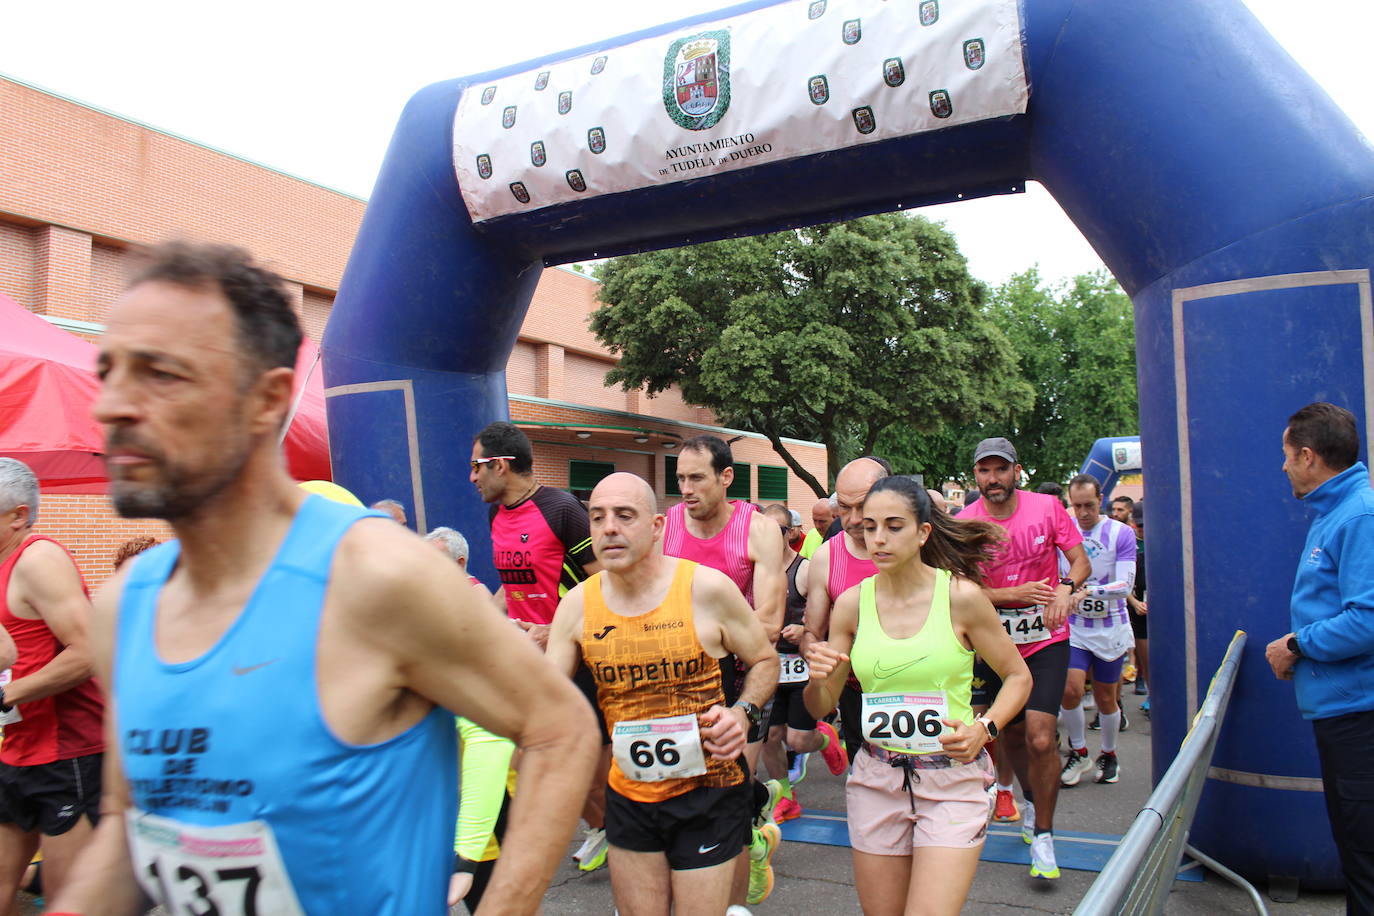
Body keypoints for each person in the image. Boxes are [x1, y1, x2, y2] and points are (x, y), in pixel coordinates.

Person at [53, 241, 598, 914]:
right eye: (109, 372)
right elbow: (128, 828)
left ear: (267, 400)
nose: (113, 406)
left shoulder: (375, 578)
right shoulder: (123, 610)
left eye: (160, 374)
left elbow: (560, 731)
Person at [545, 472, 780, 916]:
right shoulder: (576, 605)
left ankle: (749, 831)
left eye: (623, 515)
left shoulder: (705, 589)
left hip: (707, 789)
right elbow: (548, 703)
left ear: (656, 527)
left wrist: (743, 712)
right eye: (597, 518)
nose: (609, 527)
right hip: (630, 791)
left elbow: (766, 660)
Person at [803, 476, 1032, 916]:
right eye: (870, 527)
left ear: (923, 532)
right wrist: (819, 678)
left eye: (893, 526)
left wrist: (983, 730)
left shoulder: (961, 597)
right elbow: (822, 706)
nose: (879, 539)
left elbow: (1017, 677)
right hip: (877, 777)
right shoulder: (850, 604)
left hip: (951, 778)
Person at [469, 420, 611, 872]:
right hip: (527, 660)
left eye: (477, 467)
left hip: (579, 659)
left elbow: (604, 584)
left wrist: (557, 629)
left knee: (589, 777)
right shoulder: (496, 515)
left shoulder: (562, 509)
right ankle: (609, 831)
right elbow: (510, 587)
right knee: (522, 758)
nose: (471, 477)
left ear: (501, 465)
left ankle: (632, 832)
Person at [662, 434, 786, 907]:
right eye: (680, 480)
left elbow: (771, 623)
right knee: (686, 790)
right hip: (678, 681)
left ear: (726, 477)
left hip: (741, 675)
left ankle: (733, 901)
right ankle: (756, 821)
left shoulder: (758, 531)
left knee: (726, 794)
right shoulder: (668, 525)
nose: (687, 489)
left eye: (697, 478)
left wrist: (705, 639)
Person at [959, 437, 1090, 880]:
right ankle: (1032, 804)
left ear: (1017, 472)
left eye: (1000, 470)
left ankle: (1047, 836)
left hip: (1045, 640)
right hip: (994, 644)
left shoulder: (1047, 508)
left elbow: (1080, 561)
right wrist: (1007, 595)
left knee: (1039, 736)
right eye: (984, 471)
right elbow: (957, 589)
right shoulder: (965, 521)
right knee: (1010, 739)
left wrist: (1066, 588)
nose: (992, 479)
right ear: (975, 476)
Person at [1265, 402, 1374, 914]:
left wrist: (1297, 644)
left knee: (1365, 857)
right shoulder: (1338, 511)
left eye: (1287, 455)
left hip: (1360, 714)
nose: (1282, 465)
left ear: (1308, 456)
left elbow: (1368, 620)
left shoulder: (1359, 515)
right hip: (1344, 709)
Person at [0, 458, 98, 910]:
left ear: (18, 515)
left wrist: (7, 695)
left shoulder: (39, 558)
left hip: (70, 753)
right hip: (18, 746)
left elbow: (88, 650)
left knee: (67, 901)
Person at [757, 505, 846, 824]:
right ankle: (785, 795)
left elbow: (831, 616)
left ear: (790, 534)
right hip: (768, 667)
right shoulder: (754, 571)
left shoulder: (805, 570)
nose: (768, 537)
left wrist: (804, 631)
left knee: (796, 739)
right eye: (762, 530)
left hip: (801, 668)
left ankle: (823, 738)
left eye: (776, 531)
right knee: (768, 736)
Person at [802, 456, 890, 763]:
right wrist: (817, 657)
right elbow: (812, 632)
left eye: (862, 506)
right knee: (868, 785)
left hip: (919, 688)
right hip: (855, 691)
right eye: (844, 506)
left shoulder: (921, 550)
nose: (852, 519)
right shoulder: (826, 557)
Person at [1057, 475, 1136, 788]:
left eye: (1089, 505)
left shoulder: (1121, 533)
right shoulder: (1065, 531)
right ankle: (1078, 751)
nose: (1083, 513)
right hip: (1075, 627)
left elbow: (1124, 585)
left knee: (1106, 698)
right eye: (1077, 506)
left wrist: (1088, 592)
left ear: (1100, 499)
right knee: (1070, 687)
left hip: (1110, 627)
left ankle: (1109, 752)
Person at [1128, 502, 1150, 708]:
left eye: (1146, 525)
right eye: (1140, 525)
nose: (1143, 529)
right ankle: (1145, 682)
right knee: (1146, 654)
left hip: (1163, 609)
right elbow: (1122, 582)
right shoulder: (1130, 542)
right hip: (1139, 610)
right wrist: (1134, 602)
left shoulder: (1164, 540)